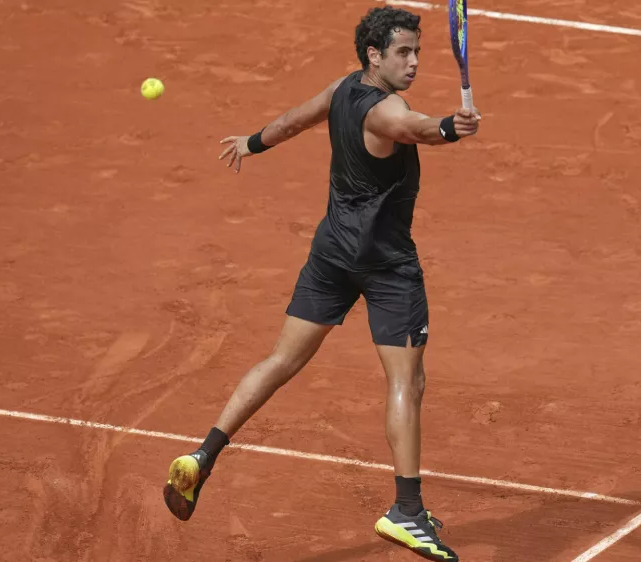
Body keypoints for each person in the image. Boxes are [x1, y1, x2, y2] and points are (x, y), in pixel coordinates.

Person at [163, 6, 480, 561]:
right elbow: (416, 129)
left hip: (331, 253)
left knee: (281, 361)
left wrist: (252, 142)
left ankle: (204, 455)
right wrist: (453, 126)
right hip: (385, 266)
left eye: (416, 52)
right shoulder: (386, 110)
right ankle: (406, 511)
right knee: (408, 382)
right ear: (374, 56)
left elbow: (292, 121)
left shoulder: (340, 90)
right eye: (402, 52)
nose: (413, 63)